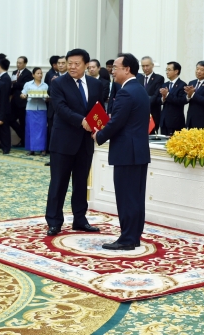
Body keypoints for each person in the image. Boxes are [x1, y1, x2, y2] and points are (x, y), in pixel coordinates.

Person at [93, 53, 151, 250]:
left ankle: (127, 239)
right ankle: (133, 236)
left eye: (116, 67)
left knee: (127, 198)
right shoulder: (140, 89)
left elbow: (117, 122)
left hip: (127, 153)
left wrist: (99, 135)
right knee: (135, 197)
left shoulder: (126, 92)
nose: (112, 70)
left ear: (127, 69)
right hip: (138, 152)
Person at [45, 48, 103, 236]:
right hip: (63, 142)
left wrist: (96, 125)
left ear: (86, 65)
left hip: (85, 142)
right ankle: (54, 221)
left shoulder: (96, 84)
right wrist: (82, 121)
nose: (72, 67)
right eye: (69, 63)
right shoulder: (58, 83)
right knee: (58, 183)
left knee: (81, 183)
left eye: (76, 64)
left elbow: (98, 109)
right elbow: (60, 108)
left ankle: (80, 219)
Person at [21, 66, 49, 156]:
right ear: (33, 75)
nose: (40, 75)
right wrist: (23, 96)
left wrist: (47, 98)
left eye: (41, 73)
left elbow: (47, 97)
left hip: (42, 109)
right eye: (38, 73)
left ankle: (43, 149)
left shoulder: (45, 85)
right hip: (30, 108)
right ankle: (31, 149)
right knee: (30, 129)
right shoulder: (28, 84)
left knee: (42, 129)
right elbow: (23, 94)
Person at [9, 56, 33, 148]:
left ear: (25, 64)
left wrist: (15, 84)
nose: (18, 65)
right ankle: (23, 137)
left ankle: (24, 141)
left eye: (20, 63)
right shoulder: (15, 72)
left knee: (23, 123)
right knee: (10, 120)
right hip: (14, 101)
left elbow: (25, 86)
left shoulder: (28, 74)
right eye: (17, 63)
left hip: (23, 103)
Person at [136, 56, 164, 134]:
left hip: (153, 113)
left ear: (152, 65)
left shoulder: (159, 78)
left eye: (147, 65)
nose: (145, 68)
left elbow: (156, 95)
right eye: (143, 66)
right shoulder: (139, 80)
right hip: (140, 115)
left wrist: (142, 102)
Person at [185, 60, 204, 129]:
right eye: (197, 69)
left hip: (203, 120)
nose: (198, 71)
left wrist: (193, 94)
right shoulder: (192, 82)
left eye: (201, 70)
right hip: (191, 119)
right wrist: (188, 96)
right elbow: (186, 100)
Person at [159, 61, 187, 136]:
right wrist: (163, 98)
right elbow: (159, 100)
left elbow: (181, 101)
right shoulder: (165, 84)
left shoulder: (182, 85)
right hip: (164, 121)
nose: (167, 72)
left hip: (175, 121)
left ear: (176, 71)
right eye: (166, 70)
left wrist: (167, 94)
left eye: (169, 70)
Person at [0, 57, 12, 154]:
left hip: (4, 107)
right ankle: (3, 146)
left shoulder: (5, 78)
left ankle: (6, 147)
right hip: (2, 107)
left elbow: (5, 94)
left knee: (5, 128)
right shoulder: (2, 77)